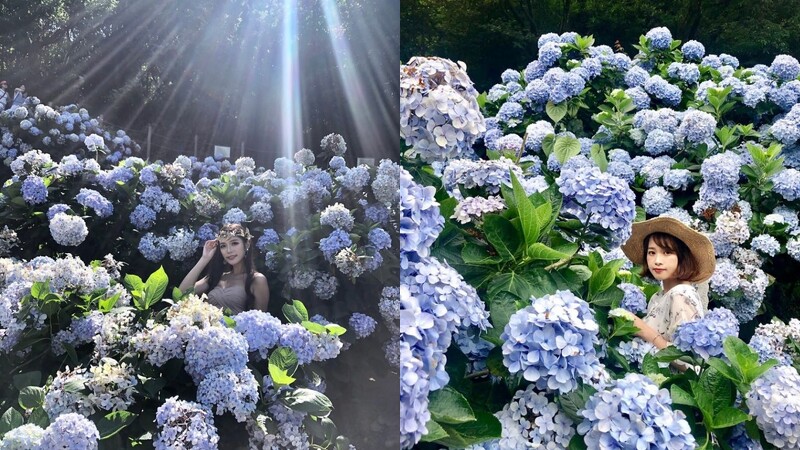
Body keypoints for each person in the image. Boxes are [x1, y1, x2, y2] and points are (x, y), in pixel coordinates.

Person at [619, 217, 716, 350]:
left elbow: (687, 358)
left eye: (667, 252)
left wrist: (643, 329)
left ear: (683, 257)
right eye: (651, 252)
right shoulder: (658, 297)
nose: (657, 261)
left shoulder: (681, 294)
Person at [179, 223, 270, 314]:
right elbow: (181, 295)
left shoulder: (257, 280)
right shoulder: (217, 277)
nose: (229, 250)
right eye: (223, 246)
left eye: (234, 243)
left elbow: (259, 319)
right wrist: (204, 258)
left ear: (246, 244)